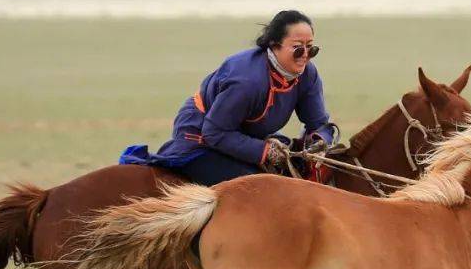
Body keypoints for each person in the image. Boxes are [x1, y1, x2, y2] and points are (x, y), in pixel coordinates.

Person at [120, 10, 334, 186]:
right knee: (259, 189)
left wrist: (318, 142)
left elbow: (318, 124)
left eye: (311, 48)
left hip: (246, 136)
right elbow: (215, 132)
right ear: (274, 45)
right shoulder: (246, 81)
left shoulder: (307, 74)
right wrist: (264, 151)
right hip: (202, 136)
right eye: (298, 48)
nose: (305, 55)